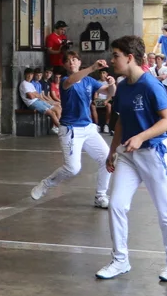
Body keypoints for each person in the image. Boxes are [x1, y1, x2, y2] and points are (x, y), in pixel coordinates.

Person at [98, 35, 167, 282]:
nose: (111, 60)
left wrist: (141, 137)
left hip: (154, 153)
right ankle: (120, 260)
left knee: (166, 210)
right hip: (129, 155)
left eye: (115, 56)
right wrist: (113, 151)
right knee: (116, 205)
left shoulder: (151, 85)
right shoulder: (123, 86)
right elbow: (121, 121)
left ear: (129, 58)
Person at [30, 52, 116, 208]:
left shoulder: (89, 81)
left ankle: (101, 195)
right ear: (64, 65)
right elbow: (72, 80)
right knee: (73, 168)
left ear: (79, 62)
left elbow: (110, 92)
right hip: (70, 129)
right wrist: (92, 68)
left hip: (88, 128)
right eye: (68, 61)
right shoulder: (65, 81)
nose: (71, 63)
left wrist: (112, 84)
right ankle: (46, 184)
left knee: (107, 159)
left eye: (74, 60)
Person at [18, 67, 62, 134]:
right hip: (32, 103)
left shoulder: (30, 84)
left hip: (38, 101)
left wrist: (35, 95)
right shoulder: (24, 83)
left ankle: (57, 127)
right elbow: (31, 96)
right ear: (25, 75)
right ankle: (62, 130)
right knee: (52, 113)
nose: (29, 76)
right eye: (28, 74)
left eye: (31, 74)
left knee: (57, 109)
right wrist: (34, 95)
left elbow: (37, 95)